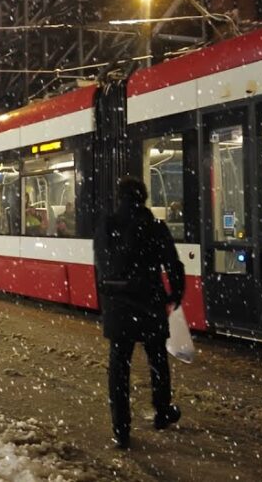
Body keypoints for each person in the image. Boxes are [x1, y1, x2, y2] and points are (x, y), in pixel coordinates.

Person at [95, 177, 185, 450]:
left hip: (118, 305)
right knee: (157, 358)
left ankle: (121, 428)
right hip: (149, 302)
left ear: (119, 197)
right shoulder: (155, 227)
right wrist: (175, 295)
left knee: (119, 366)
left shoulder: (107, 226)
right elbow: (173, 264)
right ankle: (161, 411)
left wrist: (106, 302)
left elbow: (99, 266)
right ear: (143, 198)